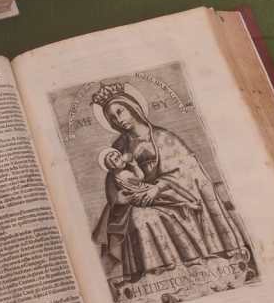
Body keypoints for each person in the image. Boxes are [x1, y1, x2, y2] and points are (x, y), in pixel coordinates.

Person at [90, 81, 250, 283]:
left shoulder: (163, 137)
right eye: (112, 118)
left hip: (172, 194)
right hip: (139, 196)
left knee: (142, 219)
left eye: (120, 112)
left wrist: (156, 189)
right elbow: (113, 178)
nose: (118, 120)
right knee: (135, 218)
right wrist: (119, 197)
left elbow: (184, 169)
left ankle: (179, 271)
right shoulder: (119, 146)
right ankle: (156, 277)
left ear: (132, 107)